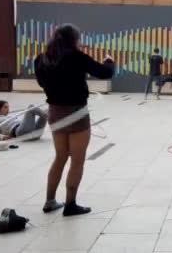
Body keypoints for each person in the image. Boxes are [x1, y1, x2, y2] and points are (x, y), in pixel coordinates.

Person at [35, 24, 114, 216]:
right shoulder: (78, 57)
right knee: (77, 161)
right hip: (76, 113)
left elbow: (41, 83)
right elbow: (105, 73)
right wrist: (109, 62)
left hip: (55, 113)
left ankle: (49, 201)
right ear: (73, 39)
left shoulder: (41, 59)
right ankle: (70, 205)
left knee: (60, 157)